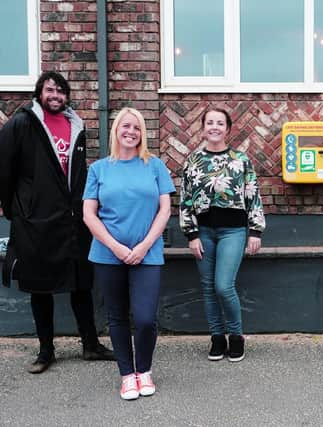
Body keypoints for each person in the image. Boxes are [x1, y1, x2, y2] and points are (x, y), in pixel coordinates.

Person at [0, 71, 115, 374]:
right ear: (39, 93)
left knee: (80, 283)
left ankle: (90, 344)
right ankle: (45, 351)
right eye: (50, 90)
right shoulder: (22, 123)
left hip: (73, 219)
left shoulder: (75, 124)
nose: (56, 96)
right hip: (35, 221)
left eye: (61, 91)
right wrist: (14, 208)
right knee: (40, 288)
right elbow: (4, 169)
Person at [82, 107, 175, 400]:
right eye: (125, 126)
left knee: (146, 317)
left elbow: (165, 209)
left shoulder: (155, 165)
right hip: (108, 255)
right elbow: (89, 214)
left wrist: (145, 245)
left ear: (142, 133)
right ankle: (127, 376)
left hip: (147, 254)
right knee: (117, 316)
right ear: (116, 131)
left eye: (136, 127)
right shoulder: (99, 169)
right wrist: (116, 247)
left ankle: (144, 370)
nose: (131, 132)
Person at [180, 107, 265, 362]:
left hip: (233, 231)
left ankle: (236, 336)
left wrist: (255, 231)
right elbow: (185, 199)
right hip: (203, 231)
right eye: (209, 123)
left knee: (223, 285)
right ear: (203, 127)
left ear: (228, 129)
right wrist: (191, 234)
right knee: (207, 288)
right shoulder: (193, 161)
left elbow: (253, 195)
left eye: (220, 123)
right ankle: (217, 337)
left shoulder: (240, 160)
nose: (214, 127)